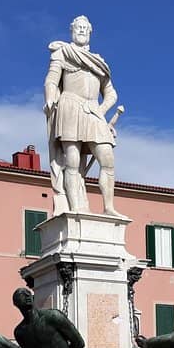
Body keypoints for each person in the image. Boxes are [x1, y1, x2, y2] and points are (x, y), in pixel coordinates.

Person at [43, 15, 120, 217]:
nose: (82, 31)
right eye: (78, 27)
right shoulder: (62, 52)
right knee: (73, 161)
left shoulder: (99, 61)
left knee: (107, 159)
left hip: (93, 110)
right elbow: (51, 80)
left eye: (85, 28)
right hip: (70, 106)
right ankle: (76, 207)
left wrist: (101, 112)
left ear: (91, 31)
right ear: (72, 30)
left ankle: (109, 207)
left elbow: (111, 93)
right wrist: (51, 99)